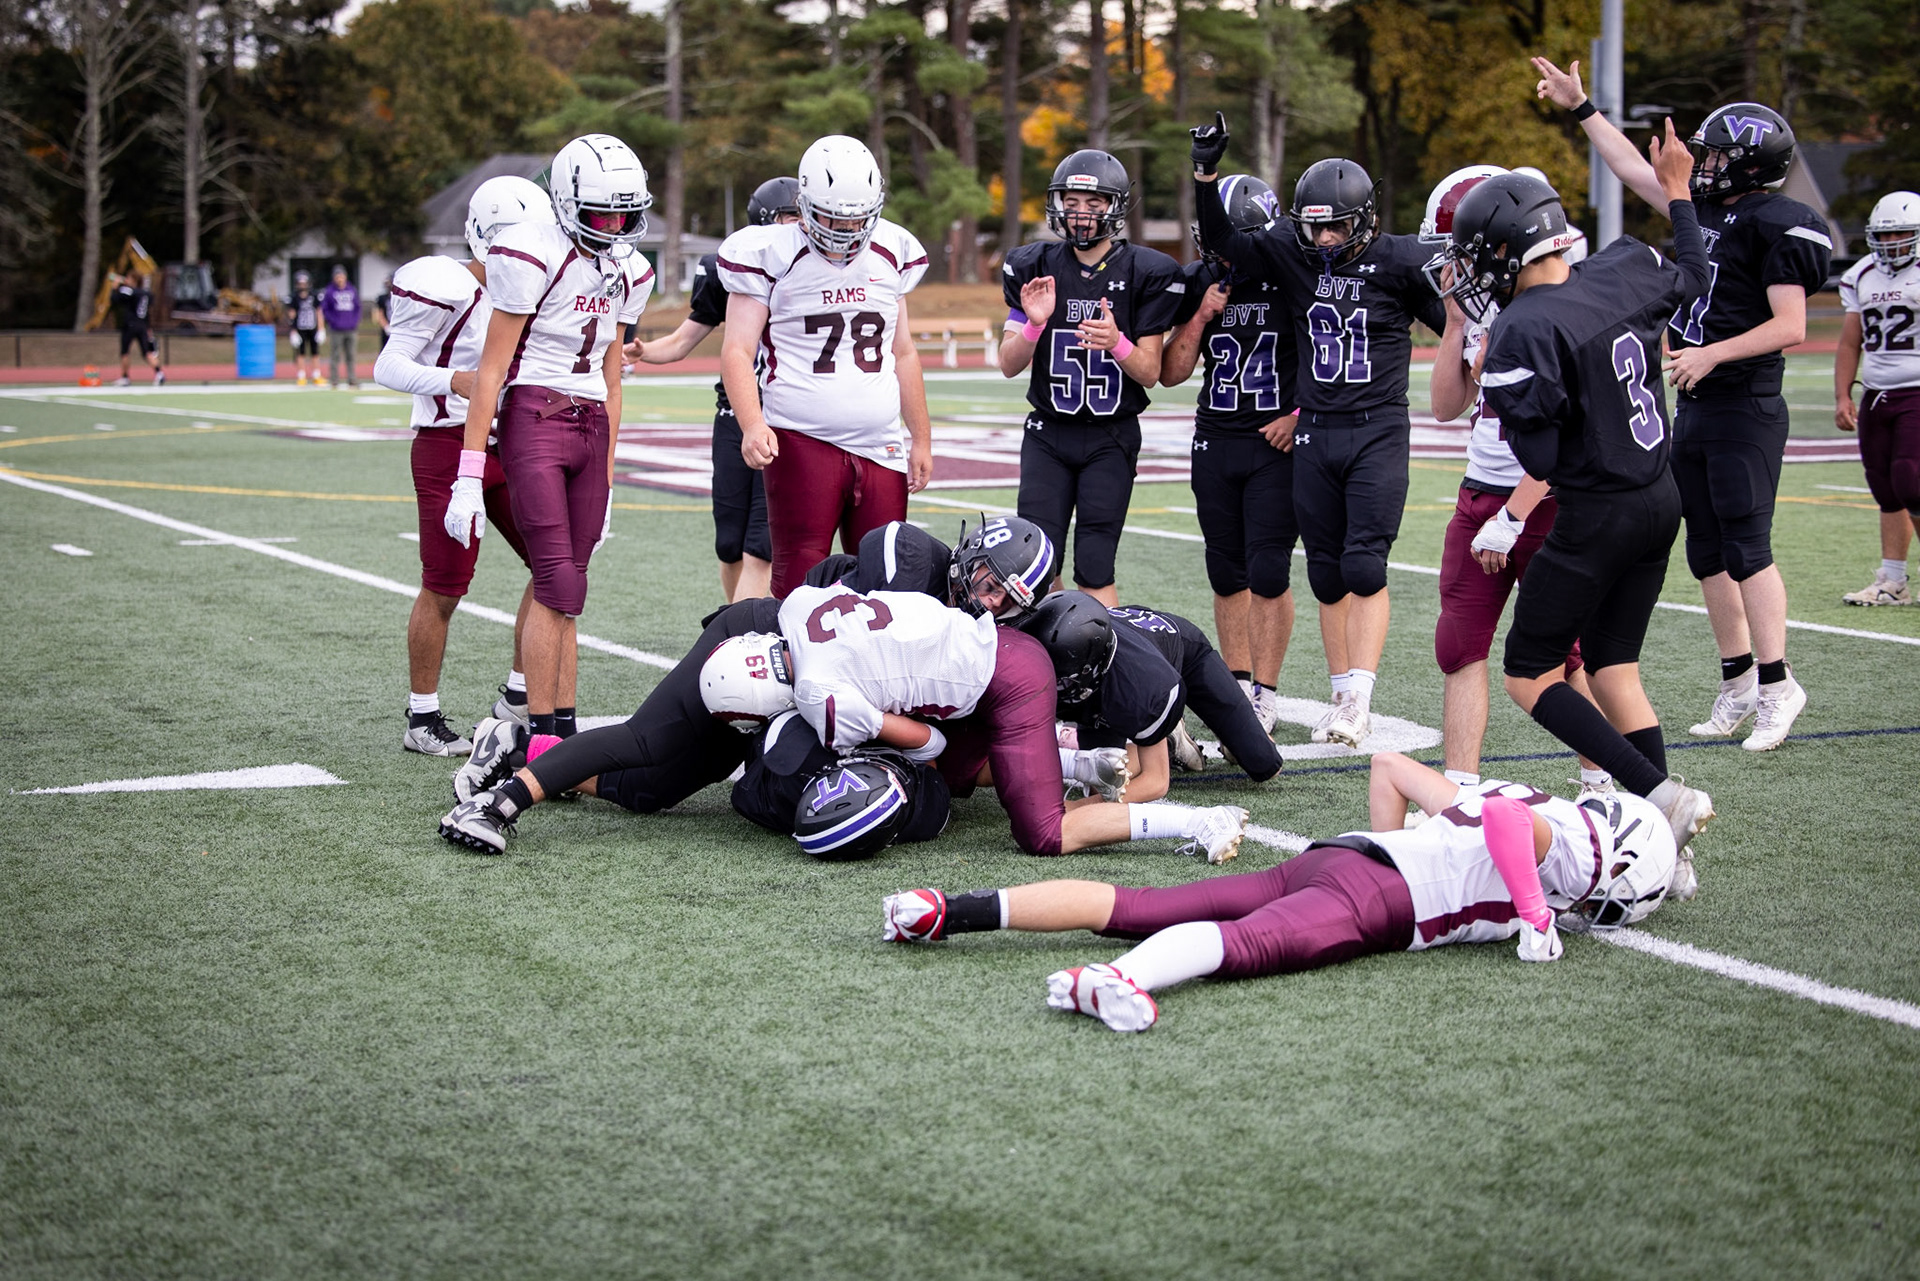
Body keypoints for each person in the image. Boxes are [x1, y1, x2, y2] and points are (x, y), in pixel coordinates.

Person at [880, 752, 1679, 1033]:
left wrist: (1390, 848)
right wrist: (1537, 915)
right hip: (1380, 896)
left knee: (1140, 906)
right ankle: (1118, 984)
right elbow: (1506, 824)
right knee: (1245, 948)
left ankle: (945, 909)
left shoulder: (1564, 812)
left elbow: (1393, 767)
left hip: (1339, 860)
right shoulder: (1577, 848)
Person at [445, 585, 1249, 862]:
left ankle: (523, 752)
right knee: (653, 758)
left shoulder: (821, 674)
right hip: (760, 655)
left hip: (770, 643)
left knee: (654, 779)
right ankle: (510, 782)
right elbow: (928, 742)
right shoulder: (826, 698)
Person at [1439, 144, 1715, 902]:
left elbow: (1543, 451)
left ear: (1509, 248)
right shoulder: (1626, 266)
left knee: (1531, 671)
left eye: (1480, 253)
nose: (1473, 267)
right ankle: (1666, 845)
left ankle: (1658, 797)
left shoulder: (1525, 328)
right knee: (1616, 666)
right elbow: (1693, 272)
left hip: (1598, 512)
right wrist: (1680, 193)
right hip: (1661, 501)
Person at [1535, 60, 1832, 751]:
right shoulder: (1704, 211)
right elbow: (1636, 172)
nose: (1706, 164)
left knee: (1748, 546)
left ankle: (1778, 683)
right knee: (1705, 551)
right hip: (1696, 400)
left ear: (1753, 165)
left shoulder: (1780, 222)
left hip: (1745, 402)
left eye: (1720, 155)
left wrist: (1711, 354)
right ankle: (1736, 680)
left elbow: (1791, 325)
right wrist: (1583, 109)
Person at [1189, 115, 1448, 751]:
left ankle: (1359, 697)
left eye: (1337, 225)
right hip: (1317, 433)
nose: (1326, 237)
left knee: (1364, 563)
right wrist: (1205, 174)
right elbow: (1225, 237)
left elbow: (1459, 325)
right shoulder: (1291, 251)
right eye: (1315, 225)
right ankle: (1340, 695)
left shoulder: (1399, 262)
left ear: (1366, 219)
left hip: (1377, 427)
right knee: (1328, 574)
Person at [451, 133, 655, 764]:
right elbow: (491, 369)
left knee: (576, 582)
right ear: (566, 202)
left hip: (591, 421)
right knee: (555, 581)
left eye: (626, 214)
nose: (616, 227)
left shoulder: (634, 270)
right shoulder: (529, 252)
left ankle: (561, 731)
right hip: (534, 415)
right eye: (602, 214)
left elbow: (614, 379)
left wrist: (613, 474)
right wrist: (467, 472)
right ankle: (538, 734)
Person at [1422, 165, 1610, 799]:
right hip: (1481, 491)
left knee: (1566, 654)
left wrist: (1516, 514)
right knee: (1460, 646)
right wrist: (1454, 326)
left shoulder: (1558, 305)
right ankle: (1460, 792)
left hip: (1546, 501)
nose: (1458, 268)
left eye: (1465, 254)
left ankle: (1601, 781)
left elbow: (1565, 433)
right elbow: (1446, 406)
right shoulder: (1485, 305)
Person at [375, 175, 552, 754]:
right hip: (448, 444)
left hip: (514, 443)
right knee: (446, 586)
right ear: (480, 238)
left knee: (554, 565)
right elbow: (389, 366)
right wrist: (456, 380)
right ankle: (421, 717)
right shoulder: (445, 284)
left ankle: (519, 694)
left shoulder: (541, 285)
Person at [716, 137, 934, 598]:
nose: (847, 228)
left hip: (880, 443)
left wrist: (922, 438)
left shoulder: (892, 249)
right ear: (804, 204)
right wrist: (752, 425)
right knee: (800, 581)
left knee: (886, 581)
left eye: (858, 217)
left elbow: (905, 352)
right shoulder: (772, 254)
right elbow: (736, 350)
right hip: (801, 437)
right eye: (834, 216)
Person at [1000, 150, 1186, 606]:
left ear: (1115, 206)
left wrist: (1116, 342)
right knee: (1036, 561)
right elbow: (1007, 363)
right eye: (1072, 199)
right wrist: (1035, 323)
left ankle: (1102, 664)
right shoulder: (1034, 265)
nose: (1081, 212)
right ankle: (1050, 660)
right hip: (1049, 433)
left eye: (1094, 201)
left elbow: (1150, 372)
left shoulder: (1147, 271)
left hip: (1111, 435)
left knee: (1096, 561)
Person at [1159, 174, 1298, 734]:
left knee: (1268, 568)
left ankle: (1266, 692)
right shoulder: (1199, 282)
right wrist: (1198, 317)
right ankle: (1239, 685)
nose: (1224, 253)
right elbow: (1170, 373)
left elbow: (1329, 353)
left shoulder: (1292, 276)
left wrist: (1301, 414)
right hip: (1215, 437)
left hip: (1272, 439)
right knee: (1225, 569)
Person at [627, 176, 799, 603]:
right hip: (734, 415)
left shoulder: (813, 266)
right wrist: (641, 351)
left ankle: (742, 637)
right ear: (766, 220)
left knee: (762, 544)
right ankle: (736, 622)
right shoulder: (729, 268)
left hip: (785, 412)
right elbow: (684, 341)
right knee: (729, 541)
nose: (804, 225)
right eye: (793, 216)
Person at [1020, 593, 1282, 805]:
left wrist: (1076, 809)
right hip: (1118, 664)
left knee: (1263, 762)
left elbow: (1156, 783)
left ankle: (1177, 730)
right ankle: (1166, 741)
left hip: (1184, 651)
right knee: (1103, 779)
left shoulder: (1140, 685)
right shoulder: (1063, 653)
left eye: (1063, 679)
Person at [1835, 190, 1920, 606]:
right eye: (1884, 236)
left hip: (1917, 389)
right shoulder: (1861, 274)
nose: (1892, 244)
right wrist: (1842, 396)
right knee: (1885, 487)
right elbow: (1851, 342)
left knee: (1911, 480)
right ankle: (1894, 579)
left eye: (1901, 234)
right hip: (1877, 393)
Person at [321, 264, 361, 388]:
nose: (340, 279)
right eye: (337, 276)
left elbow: (358, 307)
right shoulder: (329, 291)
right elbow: (325, 309)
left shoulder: (352, 290)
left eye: (341, 276)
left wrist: (354, 321)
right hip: (336, 329)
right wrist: (333, 321)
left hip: (351, 328)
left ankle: (352, 378)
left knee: (351, 355)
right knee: (335, 355)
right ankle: (334, 379)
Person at [286, 270, 321, 386]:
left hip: (312, 327)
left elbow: (319, 312)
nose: (302, 286)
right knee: (300, 353)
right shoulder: (294, 297)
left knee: (315, 352)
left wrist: (321, 328)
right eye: (300, 283)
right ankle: (301, 376)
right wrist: (293, 331)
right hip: (300, 328)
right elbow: (291, 315)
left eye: (304, 283)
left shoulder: (314, 296)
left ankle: (316, 375)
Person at [374, 277, 393, 351]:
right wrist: (386, 327)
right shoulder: (382, 298)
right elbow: (379, 313)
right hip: (387, 327)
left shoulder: (402, 298)